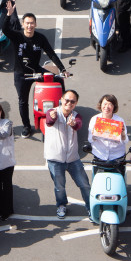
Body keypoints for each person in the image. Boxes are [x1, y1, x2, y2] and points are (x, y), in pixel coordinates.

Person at [2, 7, 68, 137]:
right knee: (23, 101)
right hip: (21, 74)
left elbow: (51, 54)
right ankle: (26, 126)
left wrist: (62, 69)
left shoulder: (40, 38)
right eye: (27, 23)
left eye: (32, 23)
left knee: (59, 80)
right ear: (23, 24)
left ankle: (65, 109)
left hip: (36, 71)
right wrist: (8, 15)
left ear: (35, 24)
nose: (29, 25)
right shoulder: (17, 36)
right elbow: (5, 30)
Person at [44, 89, 90, 219]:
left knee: (84, 184)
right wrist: (52, 118)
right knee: (59, 186)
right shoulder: (52, 112)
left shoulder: (76, 116)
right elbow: (49, 121)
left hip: (73, 159)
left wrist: (74, 124)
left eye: (72, 101)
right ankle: (61, 205)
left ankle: (91, 206)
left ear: (75, 103)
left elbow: (78, 125)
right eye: (67, 100)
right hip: (55, 159)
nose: (69, 103)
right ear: (61, 100)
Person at [88, 93, 128, 167]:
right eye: (105, 104)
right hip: (99, 155)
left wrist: (122, 134)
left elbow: (125, 141)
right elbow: (90, 140)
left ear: (114, 107)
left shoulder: (119, 121)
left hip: (117, 157)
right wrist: (94, 135)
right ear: (101, 105)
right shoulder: (94, 119)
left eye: (110, 104)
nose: (107, 107)